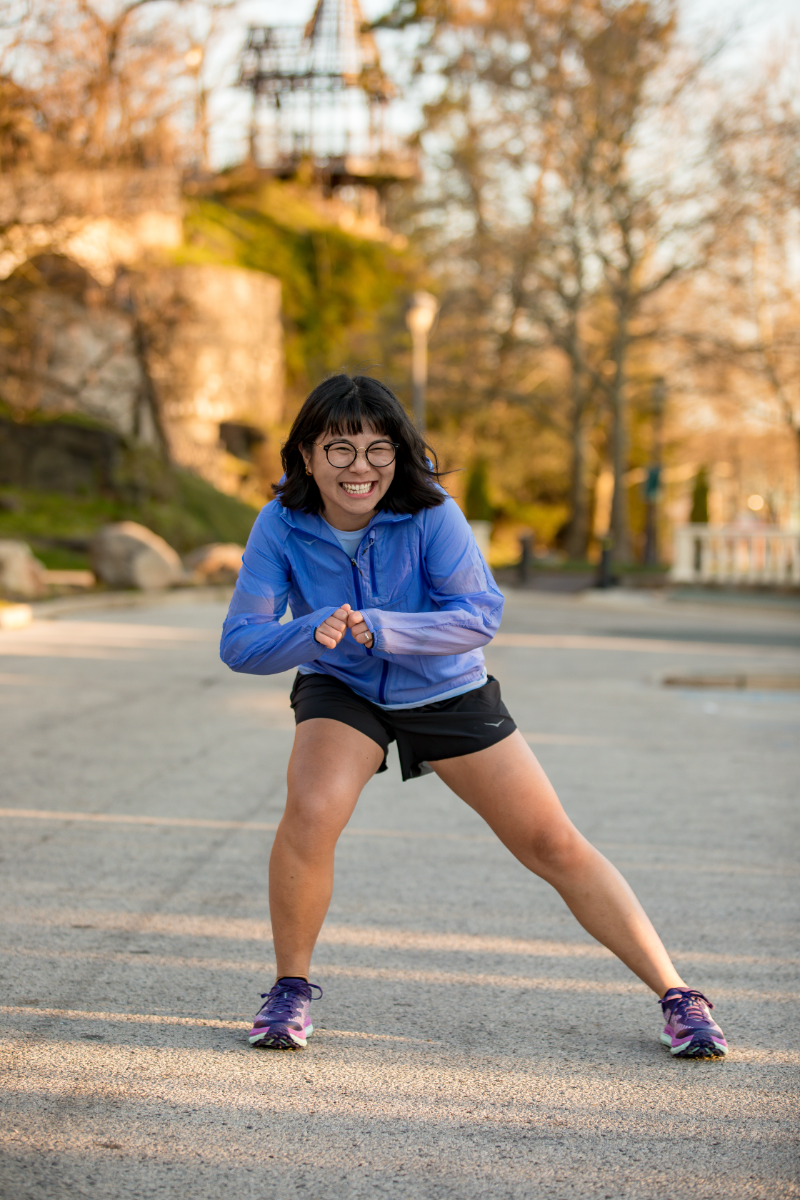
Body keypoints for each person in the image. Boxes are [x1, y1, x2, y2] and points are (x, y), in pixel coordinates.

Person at [220, 373, 728, 1060]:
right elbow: (241, 642)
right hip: (343, 688)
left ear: (398, 454)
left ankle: (678, 996)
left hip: (446, 689)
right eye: (338, 449)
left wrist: (386, 629)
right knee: (311, 811)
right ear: (305, 454)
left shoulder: (431, 512)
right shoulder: (281, 520)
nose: (359, 467)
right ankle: (289, 990)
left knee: (551, 842)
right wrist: (314, 633)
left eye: (377, 448)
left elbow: (480, 616)